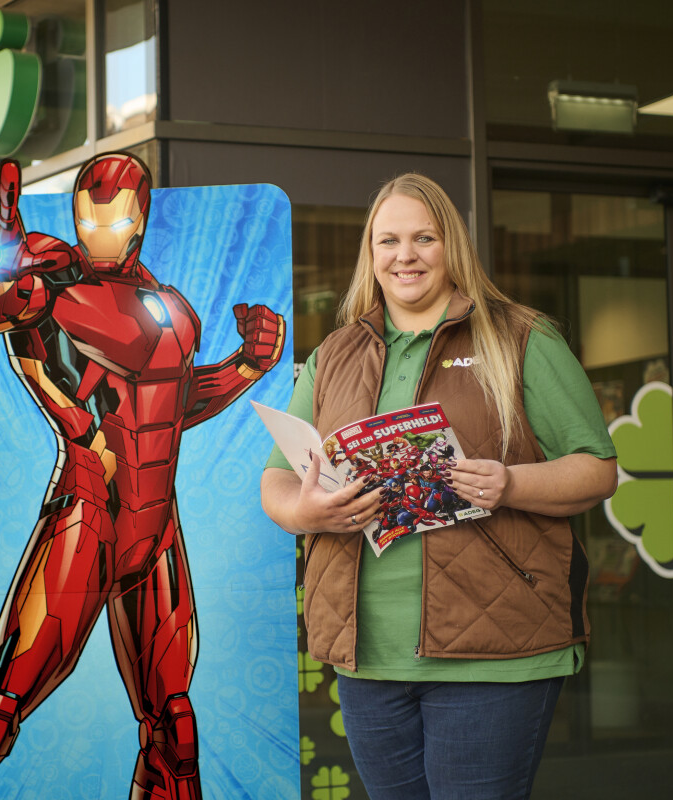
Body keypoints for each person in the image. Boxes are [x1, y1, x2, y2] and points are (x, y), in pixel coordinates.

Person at [0, 153, 285, 800]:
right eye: (88, 218)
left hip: (157, 530)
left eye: (113, 219)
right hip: (89, 517)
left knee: (175, 728)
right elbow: (4, 302)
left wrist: (248, 366)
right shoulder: (53, 280)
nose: (99, 232)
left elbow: (175, 402)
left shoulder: (167, 305)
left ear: (140, 220)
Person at [260, 173, 616, 800]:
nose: (406, 256)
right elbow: (278, 479)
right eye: (388, 240)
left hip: (494, 650)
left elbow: (596, 468)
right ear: (371, 254)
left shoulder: (522, 338)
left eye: (424, 238)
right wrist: (307, 510)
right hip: (368, 654)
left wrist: (509, 483)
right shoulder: (335, 354)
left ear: (452, 246)